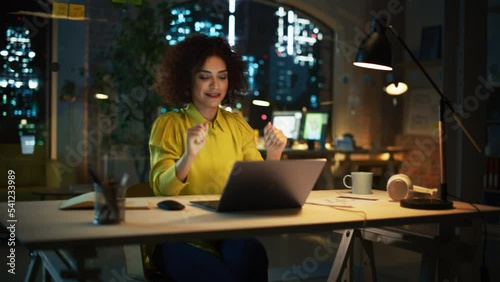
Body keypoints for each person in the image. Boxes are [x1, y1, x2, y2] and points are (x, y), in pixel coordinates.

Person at [149, 33, 287, 282]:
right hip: (180, 236)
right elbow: (161, 189)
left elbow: (259, 187)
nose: (215, 86)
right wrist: (189, 155)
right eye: (204, 77)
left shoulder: (237, 125)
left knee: (253, 253)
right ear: (187, 80)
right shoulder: (169, 124)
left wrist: (274, 155)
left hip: (228, 231)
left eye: (222, 77)